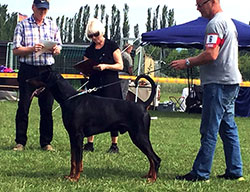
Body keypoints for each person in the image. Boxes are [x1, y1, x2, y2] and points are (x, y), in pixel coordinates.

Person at [170, 0, 244, 181]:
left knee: (209, 128)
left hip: (218, 83)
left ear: (212, 2)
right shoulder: (228, 21)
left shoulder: (215, 23)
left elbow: (211, 54)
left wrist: (187, 62)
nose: (197, 7)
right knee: (228, 127)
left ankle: (201, 172)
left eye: (199, 3)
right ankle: (235, 170)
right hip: (231, 82)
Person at [12, 0, 62, 151]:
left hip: (47, 70)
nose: (42, 12)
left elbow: (59, 45)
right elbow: (15, 49)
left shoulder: (53, 25)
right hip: (28, 69)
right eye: (40, 9)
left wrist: (56, 50)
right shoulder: (22, 25)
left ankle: (46, 142)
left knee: (47, 107)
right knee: (23, 106)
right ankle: (20, 141)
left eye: (45, 10)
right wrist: (31, 49)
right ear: (33, 8)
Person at [82, 18, 123, 153]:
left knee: (113, 113)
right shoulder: (89, 50)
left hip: (110, 84)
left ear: (102, 32)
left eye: (96, 34)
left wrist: (106, 66)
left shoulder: (112, 46)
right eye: (90, 36)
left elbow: (120, 65)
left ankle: (114, 144)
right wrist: (85, 71)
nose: (94, 38)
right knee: (90, 113)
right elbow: (86, 66)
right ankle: (89, 143)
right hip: (94, 84)